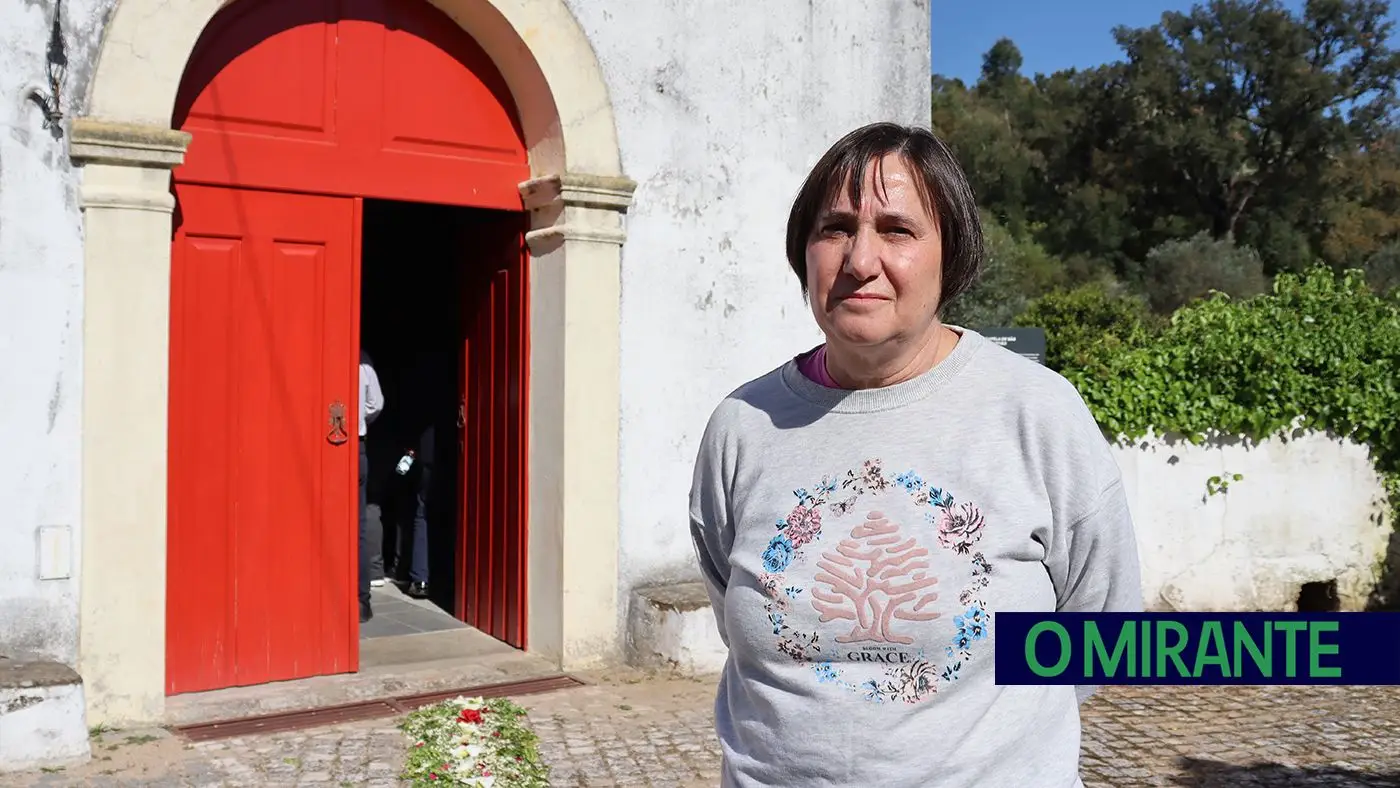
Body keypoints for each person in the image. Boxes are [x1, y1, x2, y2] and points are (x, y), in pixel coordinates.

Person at [688, 122, 1143, 787]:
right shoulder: (742, 427)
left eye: (897, 230)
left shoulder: (1035, 412)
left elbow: (1102, 628)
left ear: (949, 254)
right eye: (836, 228)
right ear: (804, 252)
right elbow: (738, 617)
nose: (860, 259)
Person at [359, 349, 385, 623]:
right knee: (360, 525)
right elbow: (375, 403)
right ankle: (361, 602)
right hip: (356, 444)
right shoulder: (363, 362)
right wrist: (358, 419)